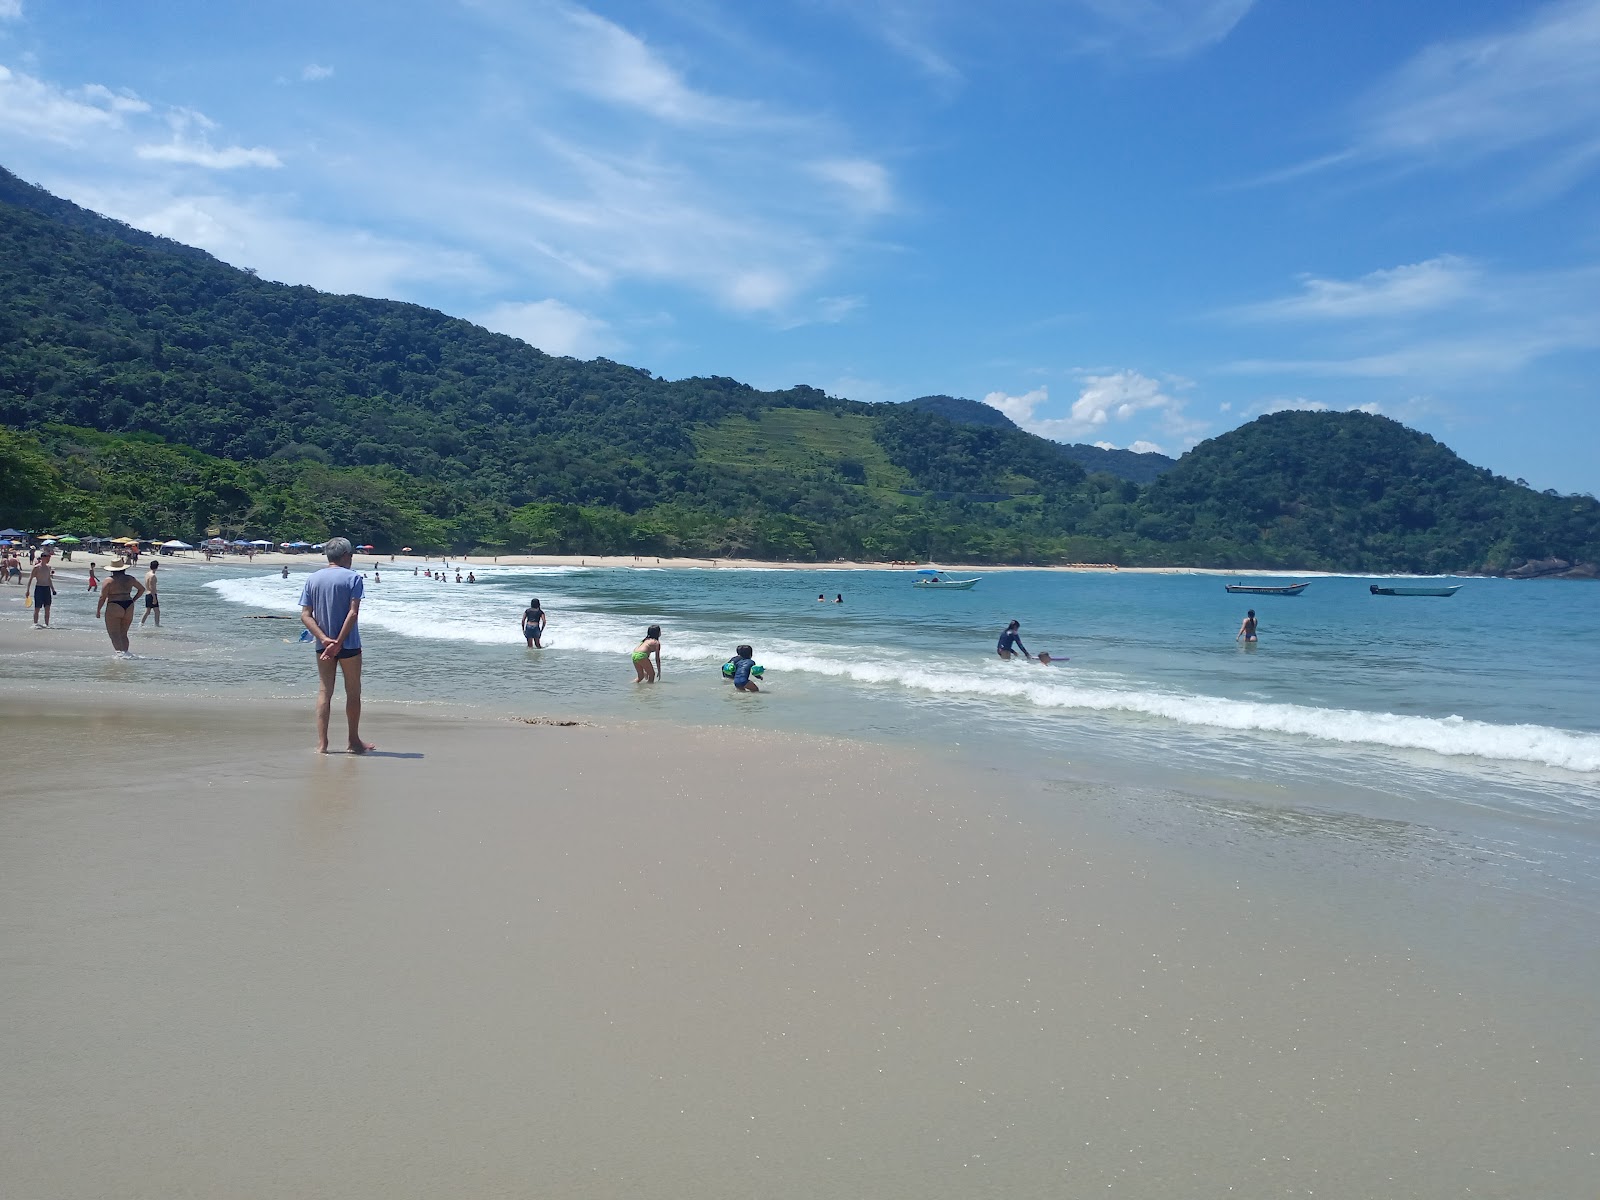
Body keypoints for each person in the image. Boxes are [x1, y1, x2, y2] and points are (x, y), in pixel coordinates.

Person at [298, 537, 375, 755]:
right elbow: (353, 612)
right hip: (348, 644)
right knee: (353, 691)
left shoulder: (313, 579)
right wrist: (338, 642)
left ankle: (322, 744)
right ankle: (353, 741)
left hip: (323, 646)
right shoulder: (353, 578)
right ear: (345, 556)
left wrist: (324, 640)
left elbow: (305, 615)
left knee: (324, 691)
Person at [95, 558, 145, 653]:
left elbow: (102, 597)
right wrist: (133, 600)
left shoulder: (109, 580)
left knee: (114, 634)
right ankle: (126, 654)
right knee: (123, 634)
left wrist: (98, 610)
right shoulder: (130, 578)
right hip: (129, 604)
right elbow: (142, 589)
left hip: (115, 604)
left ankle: (120, 655)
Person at [27, 549, 55, 628]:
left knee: (47, 608)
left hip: (47, 589)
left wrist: (53, 589)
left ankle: (46, 624)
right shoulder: (36, 568)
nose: (49, 560)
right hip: (39, 588)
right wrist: (27, 590)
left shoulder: (49, 567)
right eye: (48, 558)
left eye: (49, 558)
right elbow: (30, 578)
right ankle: (35, 624)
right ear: (43, 558)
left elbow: (49, 579)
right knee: (37, 608)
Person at [140, 560, 161, 626]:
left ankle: (141, 624)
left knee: (148, 611)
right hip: (152, 594)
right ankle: (157, 625)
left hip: (147, 594)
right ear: (157, 567)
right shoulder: (153, 576)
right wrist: (154, 598)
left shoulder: (147, 574)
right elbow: (152, 587)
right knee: (157, 611)